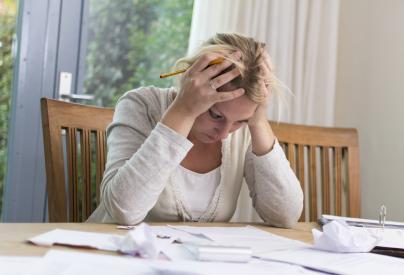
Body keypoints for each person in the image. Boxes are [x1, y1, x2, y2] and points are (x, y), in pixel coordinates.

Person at [87, 33, 303, 228]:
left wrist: (257, 122)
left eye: (241, 121)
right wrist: (183, 111)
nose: (225, 134)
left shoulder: (245, 129)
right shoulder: (141, 104)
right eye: (216, 115)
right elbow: (123, 210)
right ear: (191, 83)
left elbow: (285, 215)